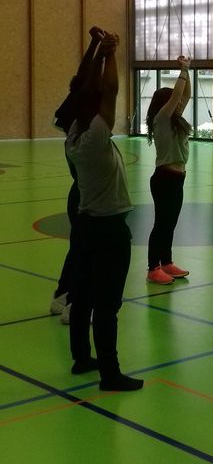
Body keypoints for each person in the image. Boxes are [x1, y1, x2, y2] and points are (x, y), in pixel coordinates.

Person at [65, 32, 143, 392]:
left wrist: (97, 53)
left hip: (85, 228)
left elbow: (86, 88)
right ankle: (110, 374)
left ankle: (81, 357)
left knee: (82, 297)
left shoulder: (73, 135)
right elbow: (109, 91)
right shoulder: (97, 136)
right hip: (109, 231)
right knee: (107, 305)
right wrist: (111, 54)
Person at [50, 26, 106, 323]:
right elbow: (88, 78)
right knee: (87, 252)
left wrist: (95, 46)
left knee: (78, 248)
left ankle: (62, 294)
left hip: (78, 193)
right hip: (87, 196)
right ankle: (74, 305)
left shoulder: (72, 118)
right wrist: (104, 54)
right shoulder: (85, 130)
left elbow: (83, 76)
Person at [146, 56, 191, 285]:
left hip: (178, 178)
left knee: (170, 223)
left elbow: (185, 95)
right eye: (174, 101)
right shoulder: (162, 118)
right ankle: (153, 268)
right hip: (164, 178)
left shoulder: (176, 120)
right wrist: (183, 69)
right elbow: (177, 96)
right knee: (161, 224)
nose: (179, 103)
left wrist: (188, 71)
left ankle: (166, 262)